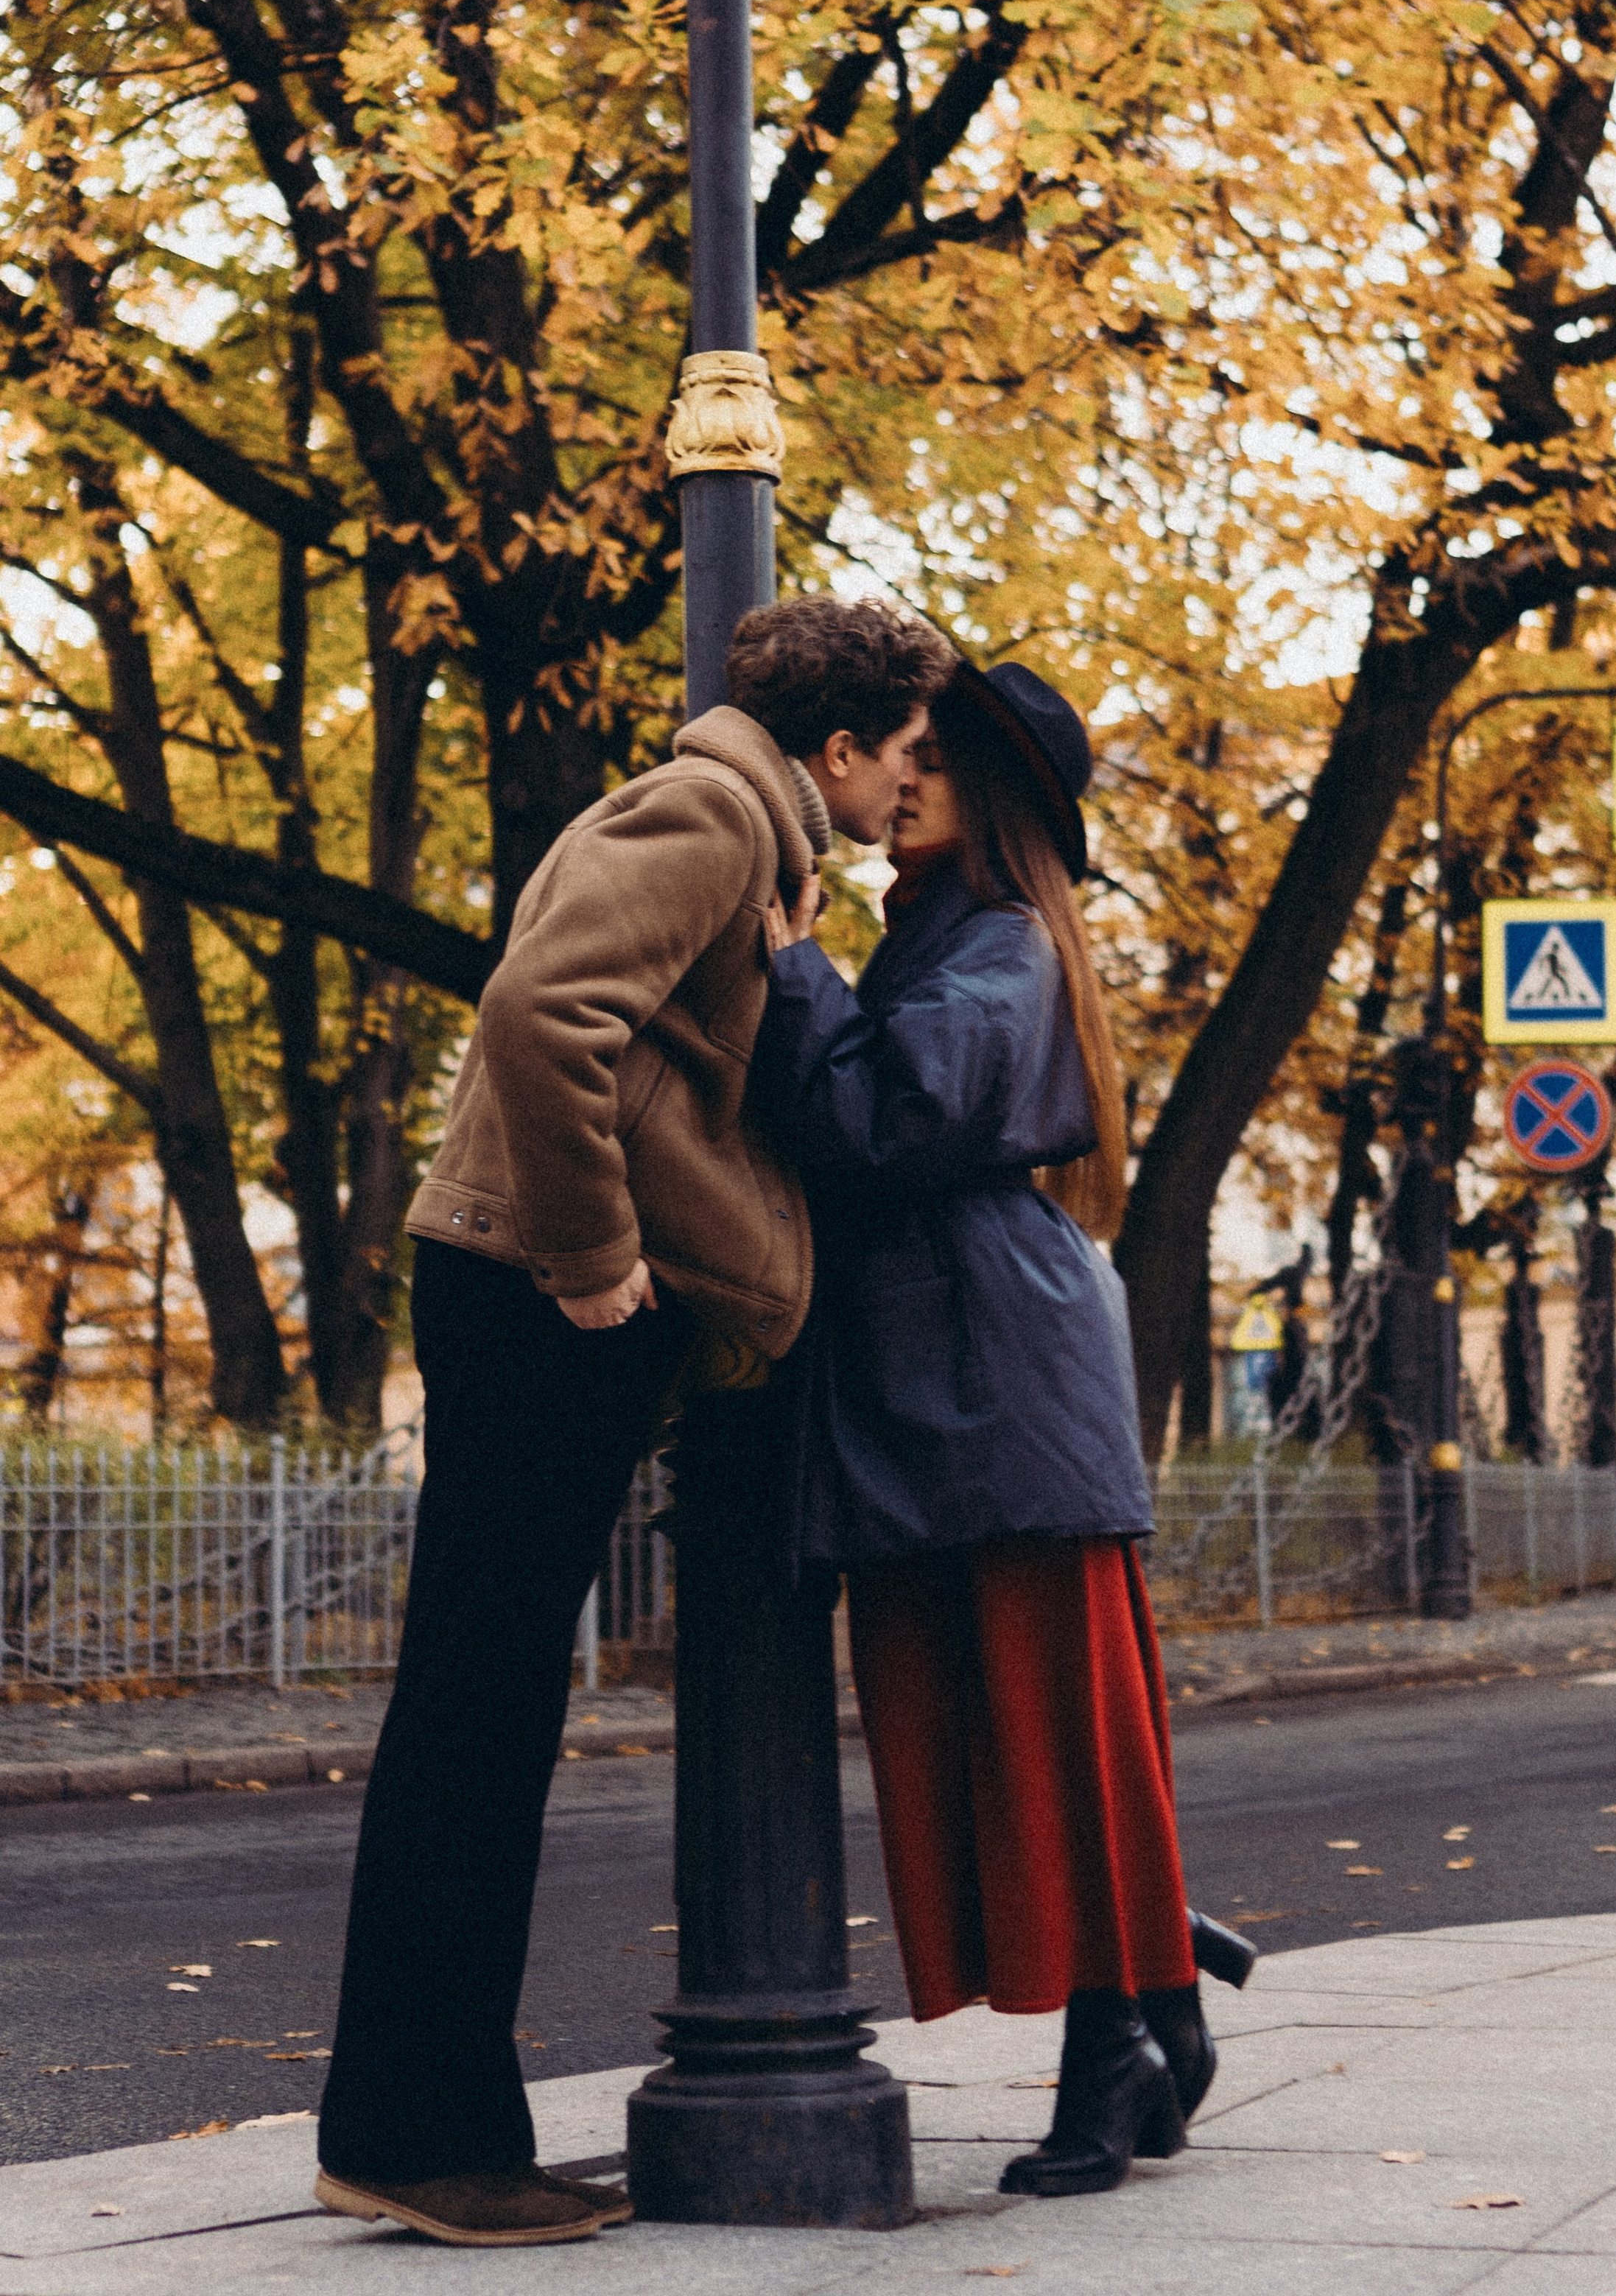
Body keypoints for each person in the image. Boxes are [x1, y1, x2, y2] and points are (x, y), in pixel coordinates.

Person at [315, 597, 949, 2250]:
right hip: (536, 1292)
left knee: (487, 1701)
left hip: (538, 1291)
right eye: (900, 757)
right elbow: (542, 1014)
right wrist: (596, 1260)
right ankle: (413, 2137)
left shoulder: (750, 830)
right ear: (835, 748)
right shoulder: (712, 814)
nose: (906, 788)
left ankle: (425, 2123)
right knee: (476, 1707)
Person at [756, 659, 1256, 2205]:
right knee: (978, 1733)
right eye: (900, 755)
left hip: (1001, 1380)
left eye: (934, 764)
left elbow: (876, 1119)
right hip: (938, 1372)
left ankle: (1113, 2059)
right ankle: (1158, 1988)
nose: (899, 778)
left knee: (1054, 1729)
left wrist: (785, 958)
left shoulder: (1001, 941)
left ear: (996, 808)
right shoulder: (933, 935)